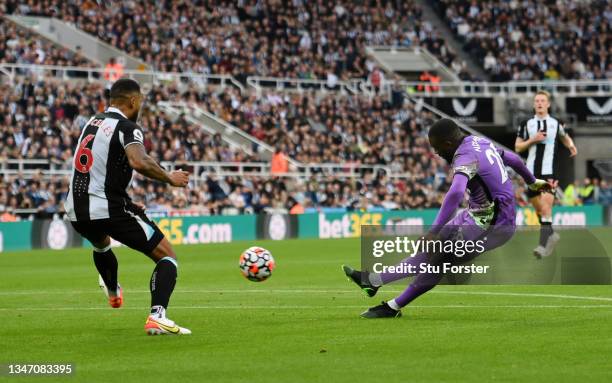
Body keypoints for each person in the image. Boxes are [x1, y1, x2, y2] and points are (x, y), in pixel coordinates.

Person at [342, 118, 552, 318]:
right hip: (475, 215)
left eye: (438, 147)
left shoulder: (464, 157)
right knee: (431, 251)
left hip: (495, 225)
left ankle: (393, 307)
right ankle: (373, 281)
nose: (436, 152)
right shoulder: (479, 142)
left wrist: (433, 231)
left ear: (449, 143)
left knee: (439, 260)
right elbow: (513, 159)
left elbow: (455, 193)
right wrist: (532, 182)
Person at [64, 78, 192, 335]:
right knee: (167, 257)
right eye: (141, 101)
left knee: (101, 244)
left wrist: (127, 201)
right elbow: (139, 161)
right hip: (108, 207)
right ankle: (158, 316)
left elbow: (97, 170)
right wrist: (169, 177)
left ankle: (113, 291)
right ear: (133, 101)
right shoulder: (127, 127)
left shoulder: (91, 122)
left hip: (76, 209)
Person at [515, 90, 577, 258]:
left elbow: (564, 136)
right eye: (537, 101)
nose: (540, 103)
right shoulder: (526, 124)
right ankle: (551, 235)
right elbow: (518, 147)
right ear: (534, 104)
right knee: (539, 209)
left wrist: (571, 145)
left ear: (548, 104)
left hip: (550, 172)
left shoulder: (556, 123)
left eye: (543, 100)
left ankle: (542, 246)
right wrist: (532, 140)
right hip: (531, 173)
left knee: (546, 207)